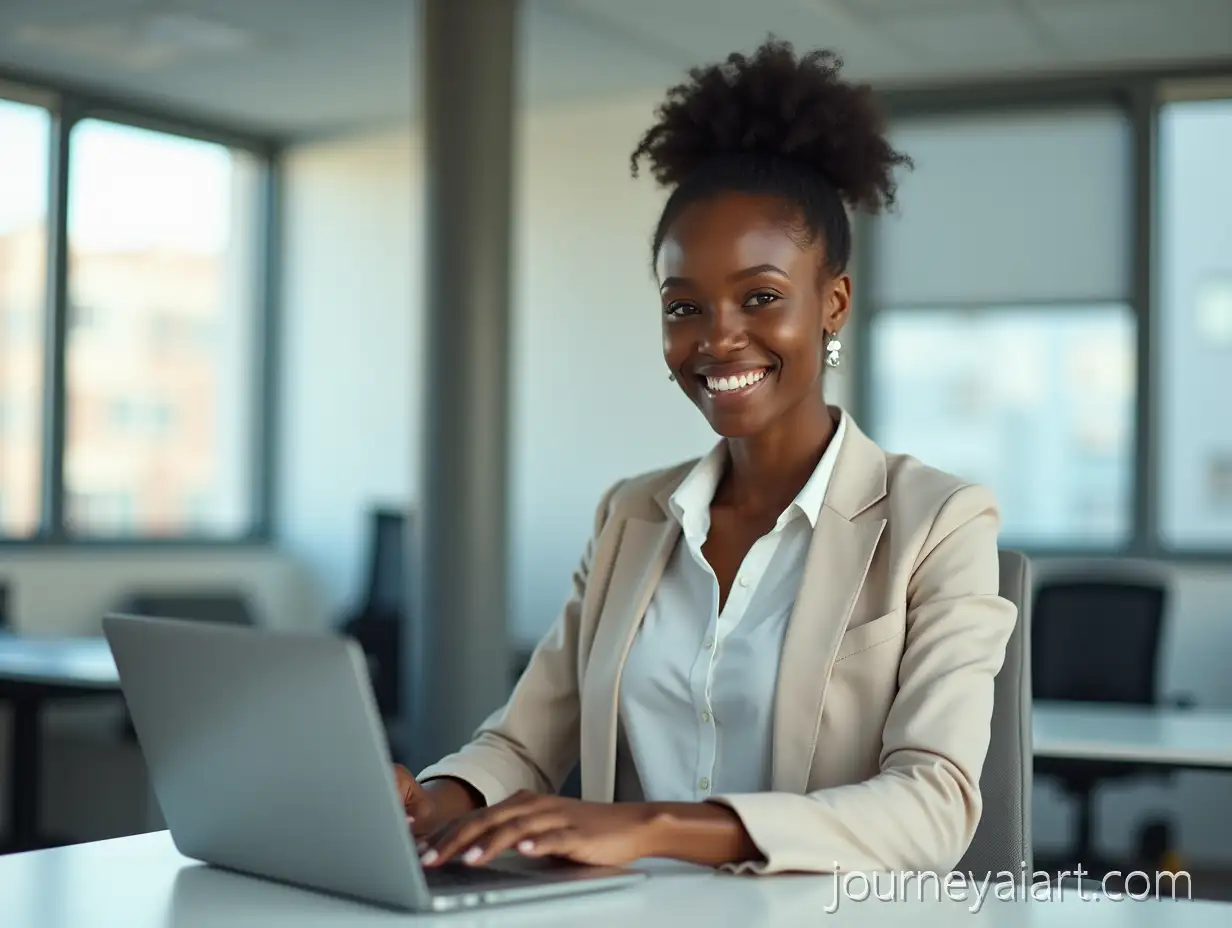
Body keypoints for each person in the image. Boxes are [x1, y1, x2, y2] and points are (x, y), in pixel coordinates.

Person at [395, 39, 1017, 876]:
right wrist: (431, 802)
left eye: (760, 297)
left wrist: (654, 826)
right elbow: (523, 741)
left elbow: (933, 805)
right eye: (684, 306)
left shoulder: (938, 521)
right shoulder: (631, 515)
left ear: (832, 302)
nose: (718, 337)